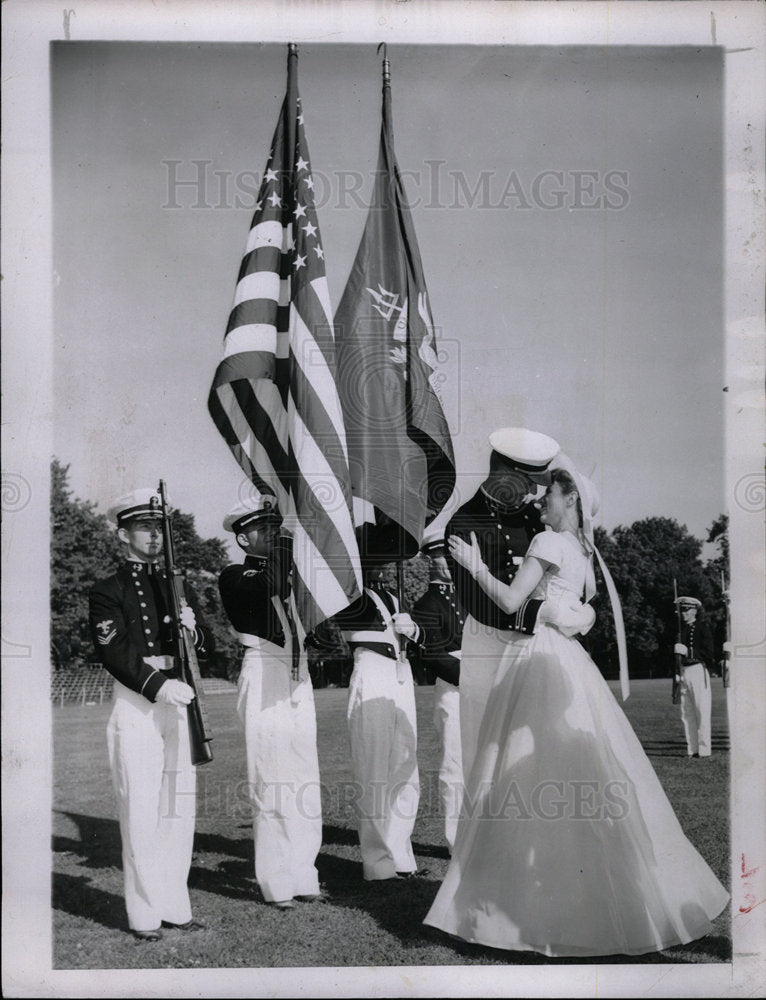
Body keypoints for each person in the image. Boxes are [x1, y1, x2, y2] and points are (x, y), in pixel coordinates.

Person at [423, 468, 729, 957]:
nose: (542, 499)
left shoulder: (547, 540)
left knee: (514, 766)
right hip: (569, 663)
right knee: (585, 764)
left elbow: (507, 601)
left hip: (537, 657)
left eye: (551, 493)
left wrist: (475, 565)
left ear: (570, 501)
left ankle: (514, 903)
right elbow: (584, 613)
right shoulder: (587, 553)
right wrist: (561, 613)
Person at [89, 487, 214, 941]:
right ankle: (143, 914)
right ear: (124, 534)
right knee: (140, 808)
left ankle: (174, 905)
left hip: (179, 701)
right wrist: (159, 686)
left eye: (159, 527)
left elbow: (210, 648)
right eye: (145, 527)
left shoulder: (175, 586)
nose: (155, 536)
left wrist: (193, 630)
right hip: (139, 701)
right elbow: (114, 651)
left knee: (178, 808)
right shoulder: (108, 591)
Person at [447, 427, 595, 779]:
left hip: (535, 647)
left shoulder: (533, 518)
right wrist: (544, 613)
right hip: (489, 645)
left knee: (536, 749)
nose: (535, 492)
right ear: (506, 474)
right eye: (530, 481)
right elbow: (479, 604)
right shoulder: (464, 522)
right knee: (486, 749)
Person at [218, 491, 323, 910]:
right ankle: (277, 879)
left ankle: (303, 871)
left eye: (275, 526)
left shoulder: (288, 573)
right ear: (244, 539)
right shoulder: (235, 576)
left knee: (304, 777)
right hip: (264, 671)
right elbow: (271, 584)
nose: (274, 533)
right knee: (273, 779)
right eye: (264, 528)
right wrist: (286, 541)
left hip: (297, 675)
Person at [329, 559, 424, 881]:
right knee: (373, 770)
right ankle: (377, 861)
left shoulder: (394, 597)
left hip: (400, 673)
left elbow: (422, 636)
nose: (382, 567)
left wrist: (412, 629)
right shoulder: (347, 594)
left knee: (405, 767)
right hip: (370, 670)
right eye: (374, 560)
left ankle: (401, 855)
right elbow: (349, 614)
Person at [411, 529, 464, 854]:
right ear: (431, 560)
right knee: (454, 765)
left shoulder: (467, 597)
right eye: (443, 557)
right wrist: (470, 675)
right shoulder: (426, 604)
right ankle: (457, 840)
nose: (449, 563)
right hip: (453, 688)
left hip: (479, 686)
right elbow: (431, 653)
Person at [673, 595, 715, 758]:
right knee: (687, 712)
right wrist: (677, 672)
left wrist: (689, 652)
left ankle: (704, 750)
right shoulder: (680, 630)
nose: (683, 613)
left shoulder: (702, 628)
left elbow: (709, 653)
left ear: (694, 611)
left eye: (686, 610)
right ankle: (692, 749)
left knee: (701, 711)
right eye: (681, 610)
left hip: (698, 670)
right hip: (684, 671)